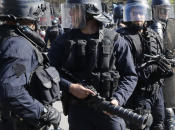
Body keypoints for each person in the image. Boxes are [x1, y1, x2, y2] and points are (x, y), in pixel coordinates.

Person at [48, 0, 138, 130]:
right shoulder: (63, 41)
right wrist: (70, 87)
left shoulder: (116, 40)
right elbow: (49, 71)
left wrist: (117, 99)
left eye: (75, 9)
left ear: (89, 14)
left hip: (109, 111)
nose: (70, 13)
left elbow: (130, 75)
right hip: (78, 113)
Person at [0, 0, 61, 130]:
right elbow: (11, 90)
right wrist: (43, 112)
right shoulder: (18, 47)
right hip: (19, 122)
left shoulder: (6, 38)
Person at [117, 0, 173, 129]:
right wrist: (150, 69)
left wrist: (166, 68)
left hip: (157, 91)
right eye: (134, 13)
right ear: (128, 14)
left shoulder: (154, 34)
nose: (138, 17)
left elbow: (163, 57)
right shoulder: (122, 37)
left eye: (140, 12)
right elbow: (122, 69)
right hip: (136, 94)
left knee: (159, 124)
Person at [150, 0, 175, 129]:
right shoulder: (149, 28)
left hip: (170, 74)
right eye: (161, 9)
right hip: (154, 76)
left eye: (166, 9)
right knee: (160, 117)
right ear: (154, 10)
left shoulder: (172, 28)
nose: (164, 12)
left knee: (169, 113)